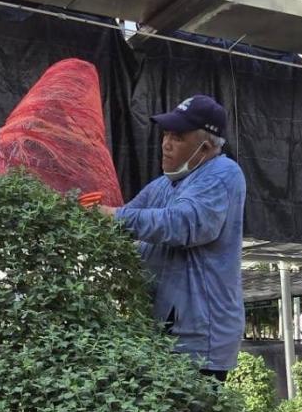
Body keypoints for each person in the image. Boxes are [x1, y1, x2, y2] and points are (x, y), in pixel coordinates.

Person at [105, 95, 245, 380]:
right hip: (161, 334)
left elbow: (183, 223)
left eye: (177, 137)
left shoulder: (222, 174)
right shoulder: (164, 185)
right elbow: (123, 220)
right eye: (166, 134)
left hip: (199, 342)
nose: (166, 143)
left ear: (204, 147)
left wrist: (112, 217)